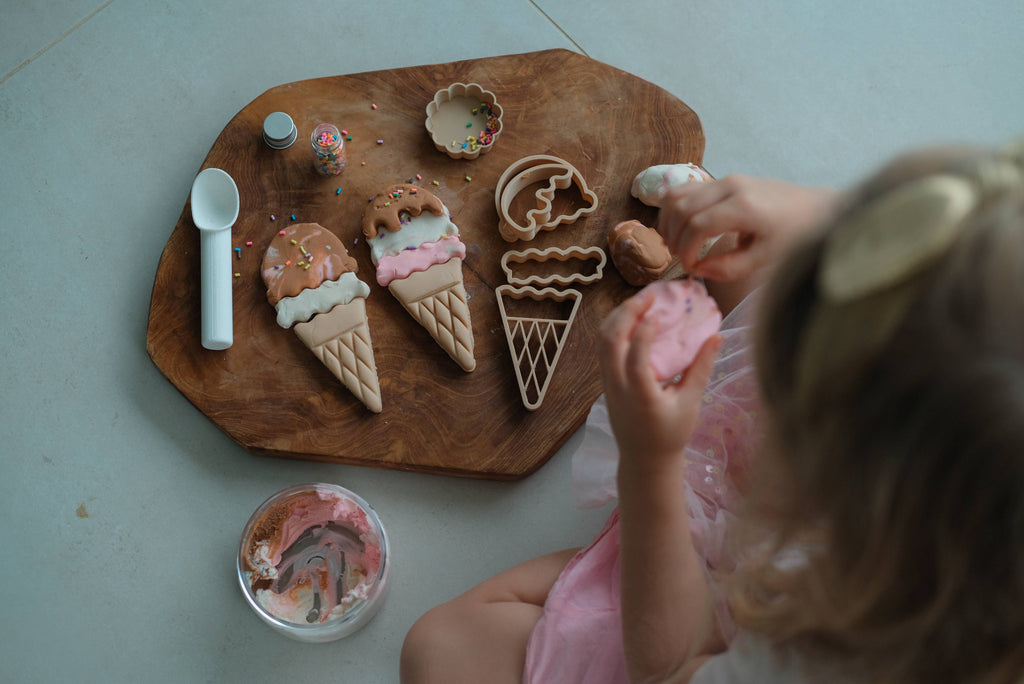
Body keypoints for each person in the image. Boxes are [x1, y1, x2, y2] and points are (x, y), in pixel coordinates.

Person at [400, 141, 1024, 683]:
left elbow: (671, 669)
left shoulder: (831, 660)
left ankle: (632, 565)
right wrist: (816, 217)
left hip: (701, 642)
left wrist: (650, 465)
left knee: (443, 646)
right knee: (747, 254)